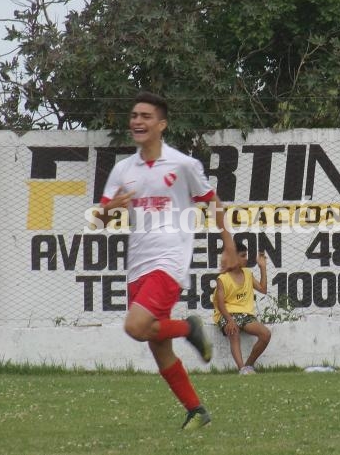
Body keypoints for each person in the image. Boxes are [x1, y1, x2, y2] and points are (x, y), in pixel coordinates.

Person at [95, 91, 239, 430]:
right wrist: (107, 210)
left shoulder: (182, 164)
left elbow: (212, 201)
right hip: (138, 262)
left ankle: (190, 327)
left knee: (135, 327)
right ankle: (197, 411)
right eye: (134, 115)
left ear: (162, 124)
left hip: (170, 257)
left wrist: (228, 243)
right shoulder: (122, 169)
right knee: (158, 345)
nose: (137, 121)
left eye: (145, 116)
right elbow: (100, 219)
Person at [213, 243, 271, 374]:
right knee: (234, 333)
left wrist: (263, 267)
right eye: (243, 256)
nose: (246, 258)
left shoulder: (248, 273)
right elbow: (220, 303)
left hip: (246, 315)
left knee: (265, 334)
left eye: (246, 255)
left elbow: (263, 289)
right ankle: (241, 369)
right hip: (227, 314)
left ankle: (248, 366)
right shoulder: (222, 278)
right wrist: (229, 320)